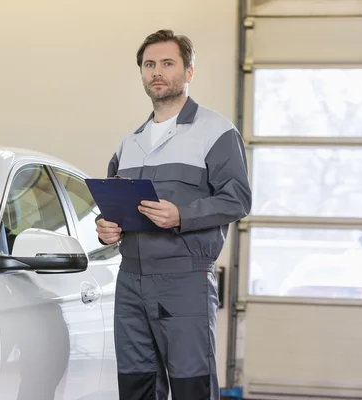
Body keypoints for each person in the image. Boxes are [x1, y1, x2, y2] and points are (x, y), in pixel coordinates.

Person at [96, 29, 252, 400]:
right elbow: (113, 205)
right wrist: (106, 228)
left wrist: (181, 215)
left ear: (189, 71)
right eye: (149, 64)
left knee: (190, 385)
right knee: (136, 386)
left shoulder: (215, 132)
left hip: (184, 280)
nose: (157, 72)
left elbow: (238, 199)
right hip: (130, 280)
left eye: (168, 63)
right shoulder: (129, 142)